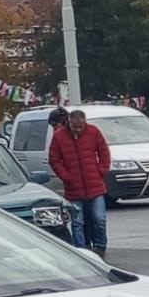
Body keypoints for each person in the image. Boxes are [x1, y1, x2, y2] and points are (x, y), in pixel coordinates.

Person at [48, 109, 112, 258]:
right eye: (75, 126)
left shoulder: (94, 132)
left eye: (81, 127)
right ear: (68, 122)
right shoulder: (59, 137)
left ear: (85, 123)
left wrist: (101, 171)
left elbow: (104, 153)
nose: (78, 130)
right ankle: (82, 252)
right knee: (77, 222)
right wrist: (66, 176)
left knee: (99, 218)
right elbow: (54, 160)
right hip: (73, 188)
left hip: (95, 185)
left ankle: (100, 248)